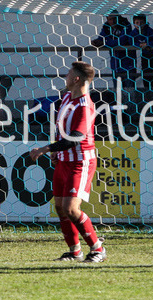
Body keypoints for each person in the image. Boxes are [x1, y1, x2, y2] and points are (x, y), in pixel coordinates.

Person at [28, 62, 106, 263]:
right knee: (61, 208)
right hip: (64, 159)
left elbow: (77, 137)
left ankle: (97, 249)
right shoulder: (66, 98)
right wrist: (56, 150)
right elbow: (61, 129)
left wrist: (46, 149)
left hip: (81, 161)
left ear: (76, 79)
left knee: (71, 208)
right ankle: (75, 251)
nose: (66, 76)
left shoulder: (85, 105)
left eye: (69, 74)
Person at [91, 12, 135, 90]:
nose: (113, 21)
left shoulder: (126, 25)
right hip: (115, 65)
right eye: (110, 19)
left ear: (119, 17)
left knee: (129, 91)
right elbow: (101, 38)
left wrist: (104, 43)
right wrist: (96, 41)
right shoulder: (106, 27)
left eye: (115, 18)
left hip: (128, 64)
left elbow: (121, 42)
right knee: (117, 91)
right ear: (107, 19)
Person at [131, 14, 153, 95]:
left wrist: (148, 44)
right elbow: (130, 41)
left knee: (151, 73)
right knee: (145, 73)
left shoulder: (149, 31)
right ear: (134, 23)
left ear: (145, 23)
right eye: (137, 23)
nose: (139, 25)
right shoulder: (134, 32)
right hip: (145, 54)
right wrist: (139, 45)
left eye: (141, 22)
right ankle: (147, 93)